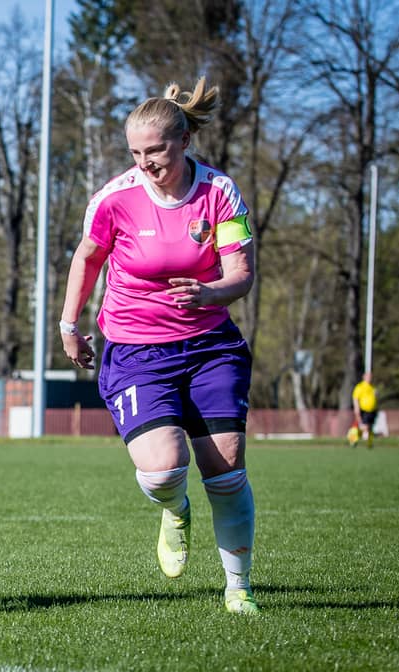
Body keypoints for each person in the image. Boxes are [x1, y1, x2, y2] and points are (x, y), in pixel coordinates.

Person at [58, 78, 260, 615]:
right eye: (136, 153)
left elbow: (241, 274)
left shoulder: (219, 193)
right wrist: (68, 324)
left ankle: (239, 589)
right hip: (136, 350)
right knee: (164, 470)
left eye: (156, 151)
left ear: (185, 141)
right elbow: (87, 258)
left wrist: (209, 293)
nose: (145, 163)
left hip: (210, 346)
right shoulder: (115, 198)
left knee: (226, 469)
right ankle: (174, 508)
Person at [351, 371, 378, 448]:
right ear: (364, 377)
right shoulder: (360, 387)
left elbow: (374, 399)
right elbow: (355, 398)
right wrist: (356, 408)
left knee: (369, 427)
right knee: (364, 426)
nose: (370, 378)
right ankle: (353, 438)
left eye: (371, 377)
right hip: (363, 410)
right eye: (368, 377)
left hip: (372, 411)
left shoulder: (372, 387)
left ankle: (369, 443)